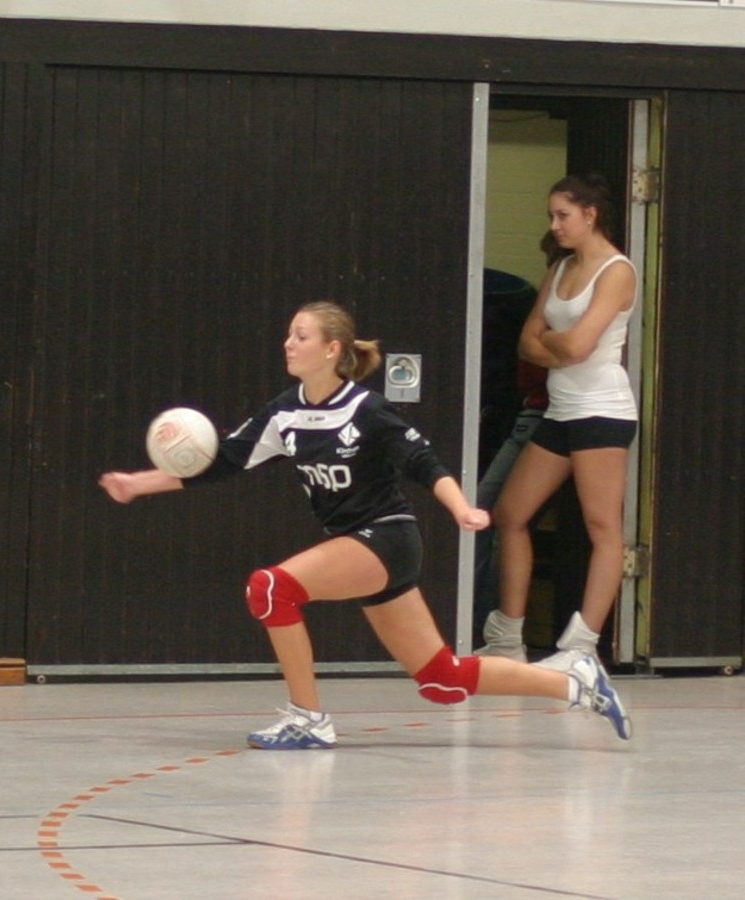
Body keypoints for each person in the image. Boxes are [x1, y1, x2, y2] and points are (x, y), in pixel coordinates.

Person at [99, 300, 630, 748]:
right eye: (288, 334)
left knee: (271, 589)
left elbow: (424, 463)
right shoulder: (284, 414)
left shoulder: (365, 409)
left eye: (301, 335)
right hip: (357, 544)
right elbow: (221, 463)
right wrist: (137, 483)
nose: (288, 343)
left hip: (387, 537)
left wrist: (461, 509)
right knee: (441, 679)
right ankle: (573, 681)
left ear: (332, 349)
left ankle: (308, 718)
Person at [477, 175, 638, 671]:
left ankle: (581, 647)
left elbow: (580, 345)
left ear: (590, 214)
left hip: (602, 410)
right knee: (510, 514)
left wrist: (555, 345)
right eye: (551, 215)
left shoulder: (617, 271)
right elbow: (527, 341)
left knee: (602, 526)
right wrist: (557, 347)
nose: (555, 225)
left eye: (562, 215)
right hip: (561, 409)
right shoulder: (561, 266)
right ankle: (508, 636)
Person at [472, 233, 564, 644]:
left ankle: (488, 626)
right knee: (494, 516)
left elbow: (542, 352)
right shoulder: (538, 297)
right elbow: (531, 351)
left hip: (548, 413)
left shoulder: (556, 300)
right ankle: (488, 626)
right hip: (540, 411)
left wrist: (544, 344)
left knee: (495, 516)